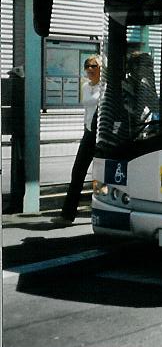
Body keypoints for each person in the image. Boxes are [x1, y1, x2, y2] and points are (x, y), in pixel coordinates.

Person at [54, 55, 101, 226]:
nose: (90, 69)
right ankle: (67, 215)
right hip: (88, 133)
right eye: (87, 66)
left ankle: (100, 210)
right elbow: (87, 110)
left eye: (94, 66)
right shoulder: (86, 87)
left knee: (100, 177)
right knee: (77, 172)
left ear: (101, 68)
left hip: (101, 135)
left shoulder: (106, 87)